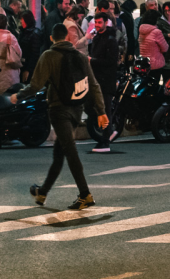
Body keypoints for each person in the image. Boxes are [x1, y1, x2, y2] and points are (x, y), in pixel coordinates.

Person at [11, 23, 108, 210]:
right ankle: (42, 192)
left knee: (70, 151)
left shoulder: (49, 55)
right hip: (76, 109)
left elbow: (35, 85)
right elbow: (94, 85)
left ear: (51, 38)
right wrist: (101, 111)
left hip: (59, 109)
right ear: (68, 38)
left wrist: (18, 96)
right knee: (59, 153)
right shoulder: (80, 57)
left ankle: (85, 194)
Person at [87, 11, 122, 153]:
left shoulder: (110, 40)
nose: (97, 25)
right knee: (93, 106)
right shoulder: (97, 38)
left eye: (99, 22)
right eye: (96, 22)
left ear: (106, 22)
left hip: (106, 79)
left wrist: (92, 61)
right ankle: (107, 133)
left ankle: (105, 140)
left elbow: (111, 62)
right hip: (96, 79)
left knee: (105, 109)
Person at [0, 14, 22, 96]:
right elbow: (19, 53)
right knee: (9, 95)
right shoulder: (10, 37)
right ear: (5, 23)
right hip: (9, 71)